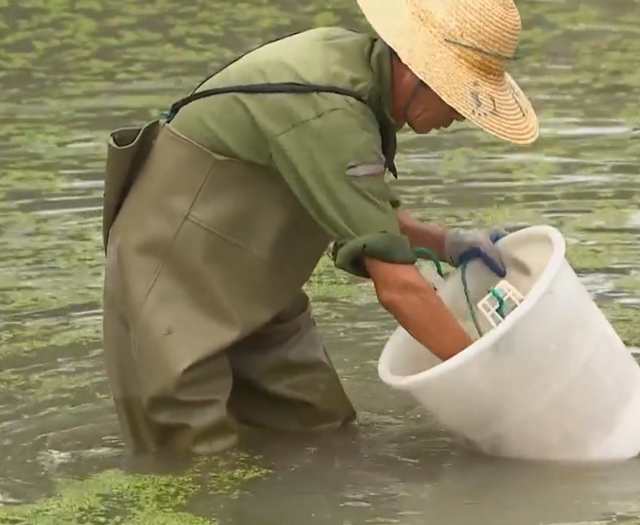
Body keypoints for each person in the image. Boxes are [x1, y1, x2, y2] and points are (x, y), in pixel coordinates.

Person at [101, 0, 539, 456]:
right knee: (196, 468)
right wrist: (489, 379)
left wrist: (445, 244)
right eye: (459, 95)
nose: (461, 115)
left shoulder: (356, 75)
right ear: (413, 67)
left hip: (255, 279)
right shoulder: (331, 111)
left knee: (321, 433)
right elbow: (400, 290)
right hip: (173, 281)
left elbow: (360, 209)